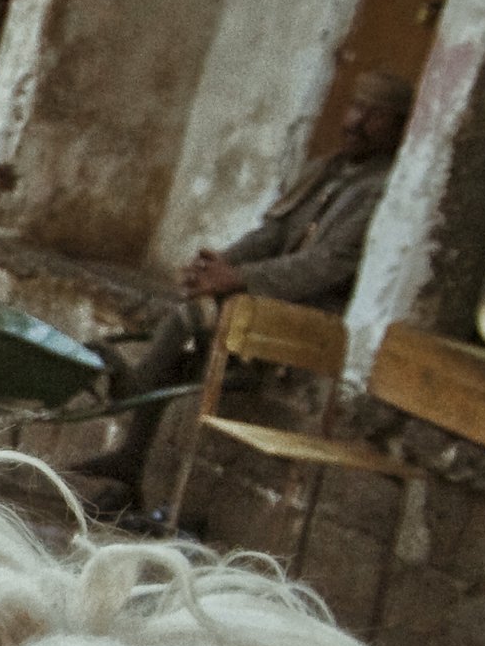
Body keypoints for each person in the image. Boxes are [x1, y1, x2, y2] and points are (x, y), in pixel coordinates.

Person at [89, 70, 415, 498]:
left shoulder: (382, 191)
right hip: (272, 301)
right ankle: (131, 461)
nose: (356, 121)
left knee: (192, 318)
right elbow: (272, 233)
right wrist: (221, 263)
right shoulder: (326, 170)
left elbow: (328, 264)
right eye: (357, 107)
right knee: (186, 356)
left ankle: (133, 392)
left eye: (375, 117)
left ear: (398, 129)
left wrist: (240, 279)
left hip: (319, 315)